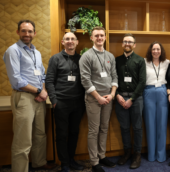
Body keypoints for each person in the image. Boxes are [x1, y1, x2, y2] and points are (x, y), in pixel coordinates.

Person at [3, 20, 56, 172]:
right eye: (24, 31)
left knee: (40, 134)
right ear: (18, 32)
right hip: (24, 97)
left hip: (39, 98)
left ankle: (39, 162)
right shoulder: (13, 51)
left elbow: (43, 76)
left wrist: (43, 91)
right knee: (23, 139)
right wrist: (38, 91)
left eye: (30, 31)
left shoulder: (36, 52)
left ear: (35, 33)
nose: (27, 34)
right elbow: (17, 79)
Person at [79, 26, 118, 172]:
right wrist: (98, 97)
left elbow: (115, 76)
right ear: (92, 38)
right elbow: (85, 80)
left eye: (102, 35)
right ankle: (94, 162)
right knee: (94, 130)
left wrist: (112, 94)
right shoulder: (86, 56)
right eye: (96, 36)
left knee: (104, 128)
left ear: (105, 37)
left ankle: (102, 156)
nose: (99, 38)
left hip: (108, 97)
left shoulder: (110, 56)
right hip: (93, 98)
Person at [45, 32, 85, 172]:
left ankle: (72, 159)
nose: (70, 41)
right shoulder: (55, 59)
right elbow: (49, 80)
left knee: (74, 132)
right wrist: (54, 99)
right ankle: (64, 163)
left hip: (78, 103)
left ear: (77, 42)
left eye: (72, 39)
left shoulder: (81, 59)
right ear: (63, 42)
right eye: (67, 39)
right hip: (61, 102)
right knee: (61, 134)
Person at [115, 33, 146, 169]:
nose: (127, 44)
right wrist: (117, 95)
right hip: (120, 98)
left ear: (134, 45)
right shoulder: (116, 60)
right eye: (125, 41)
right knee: (124, 127)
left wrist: (132, 99)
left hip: (136, 99)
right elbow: (112, 80)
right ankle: (127, 152)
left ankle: (137, 154)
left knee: (137, 128)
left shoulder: (140, 60)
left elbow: (142, 81)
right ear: (122, 44)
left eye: (130, 42)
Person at [143, 42, 170, 162]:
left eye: (158, 49)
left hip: (162, 92)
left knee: (162, 124)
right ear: (150, 50)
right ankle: (151, 155)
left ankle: (161, 155)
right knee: (150, 124)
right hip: (148, 92)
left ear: (161, 50)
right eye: (153, 49)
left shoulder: (167, 62)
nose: (156, 51)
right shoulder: (144, 62)